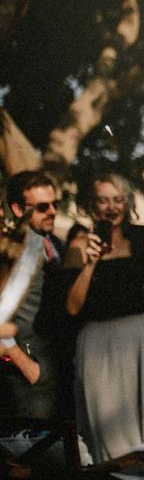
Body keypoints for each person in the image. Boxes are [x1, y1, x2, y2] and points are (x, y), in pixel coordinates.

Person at [63, 173, 144, 462]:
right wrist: (91, 263)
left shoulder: (143, 239)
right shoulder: (78, 245)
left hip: (139, 339)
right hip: (98, 344)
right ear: (92, 205)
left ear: (128, 203)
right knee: (106, 431)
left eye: (118, 200)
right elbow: (72, 307)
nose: (111, 207)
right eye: (103, 200)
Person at [0, 170, 64, 419]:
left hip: (54, 363)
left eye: (54, 204)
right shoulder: (19, 249)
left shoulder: (53, 243)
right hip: (26, 367)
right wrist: (26, 365)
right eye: (42, 207)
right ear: (17, 209)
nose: (52, 211)